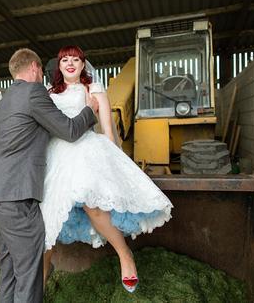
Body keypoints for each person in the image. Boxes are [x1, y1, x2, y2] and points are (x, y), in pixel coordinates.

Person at [41, 45, 173, 293]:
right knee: (46, 217)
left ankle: (125, 255)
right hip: (56, 158)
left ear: (83, 64)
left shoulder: (94, 90)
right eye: (65, 60)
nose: (70, 63)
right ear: (58, 67)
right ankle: (41, 277)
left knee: (94, 205)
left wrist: (115, 167)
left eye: (76, 59)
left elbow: (108, 132)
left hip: (85, 154)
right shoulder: (48, 94)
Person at [0, 48, 99, 303]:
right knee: (29, 275)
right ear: (34, 67)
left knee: (9, 269)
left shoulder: (6, 101)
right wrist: (89, 110)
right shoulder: (34, 93)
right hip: (16, 198)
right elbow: (68, 130)